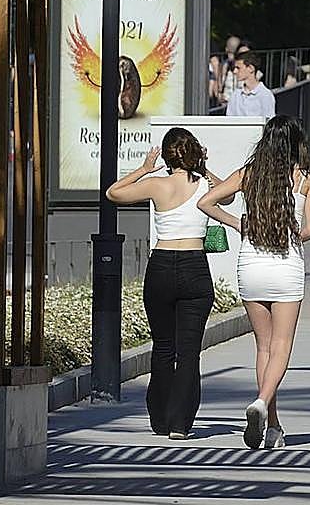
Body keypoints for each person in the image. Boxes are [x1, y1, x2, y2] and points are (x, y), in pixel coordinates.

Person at [197, 116, 310, 450]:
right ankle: (260, 402)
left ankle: (273, 425)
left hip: (251, 264)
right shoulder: (305, 180)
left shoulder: (249, 174)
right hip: (286, 264)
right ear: (296, 142)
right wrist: (290, 235)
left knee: (263, 346)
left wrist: (240, 224)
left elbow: (206, 201)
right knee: (282, 345)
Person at [105, 127, 226, 439]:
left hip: (160, 267)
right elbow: (230, 190)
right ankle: (179, 423)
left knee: (162, 346)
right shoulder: (203, 185)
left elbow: (113, 193)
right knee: (188, 351)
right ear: (194, 153)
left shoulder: (156, 185)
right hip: (195, 267)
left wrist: (144, 169)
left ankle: (159, 416)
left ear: (168, 156)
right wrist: (203, 167)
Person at [226, 51, 276, 118]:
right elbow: (229, 120)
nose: (234, 71)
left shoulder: (265, 94)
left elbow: (269, 122)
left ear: (250, 68)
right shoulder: (235, 94)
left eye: (238, 68)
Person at [217, 35, 242, 106]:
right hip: (228, 100)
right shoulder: (225, 65)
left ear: (226, 49)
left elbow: (220, 81)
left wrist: (219, 93)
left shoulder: (224, 64)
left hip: (233, 100)